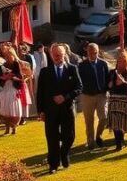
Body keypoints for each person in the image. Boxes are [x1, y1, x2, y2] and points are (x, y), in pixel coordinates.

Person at [37, 43, 82, 174]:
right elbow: (40, 93)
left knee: (69, 137)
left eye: (60, 55)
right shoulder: (45, 72)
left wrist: (66, 97)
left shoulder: (72, 69)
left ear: (64, 55)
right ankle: (53, 164)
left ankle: (64, 154)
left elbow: (79, 87)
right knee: (52, 138)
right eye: (55, 55)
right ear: (51, 55)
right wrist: (40, 111)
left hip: (67, 109)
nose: (57, 57)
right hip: (50, 110)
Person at [78, 42, 109, 148]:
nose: (92, 55)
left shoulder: (103, 64)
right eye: (90, 53)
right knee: (89, 120)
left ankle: (98, 136)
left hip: (101, 95)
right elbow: (79, 81)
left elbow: (108, 78)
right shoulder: (81, 65)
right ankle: (90, 141)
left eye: (95, 53)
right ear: (87, 52)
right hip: (87, 96)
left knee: (104, 117)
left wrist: (107, 89)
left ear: (98, 52)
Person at [106, 49, 127, 151]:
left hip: (124, 101)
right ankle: (118, 143)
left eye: (124, 61)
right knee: (115, 123)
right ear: (117, 61)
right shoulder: (112, 73)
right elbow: (107, 86)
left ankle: (122, 140)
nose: (122, 62)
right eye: (120, 60)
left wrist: (124, 84)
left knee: (122, 123)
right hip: (114, 101)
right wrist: (112, 84)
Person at [0, 45, 25, 135]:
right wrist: (4, 78)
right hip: (5, 87)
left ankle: (14, 127)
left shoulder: (16, 64)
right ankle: (7, 127)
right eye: (7, 55)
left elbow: (20, 78)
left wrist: (12, 77)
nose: (9, 57)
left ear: (13, 55)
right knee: (5, 108)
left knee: (13, 107)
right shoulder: (3, 65)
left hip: (13, 88)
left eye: (10, 55)